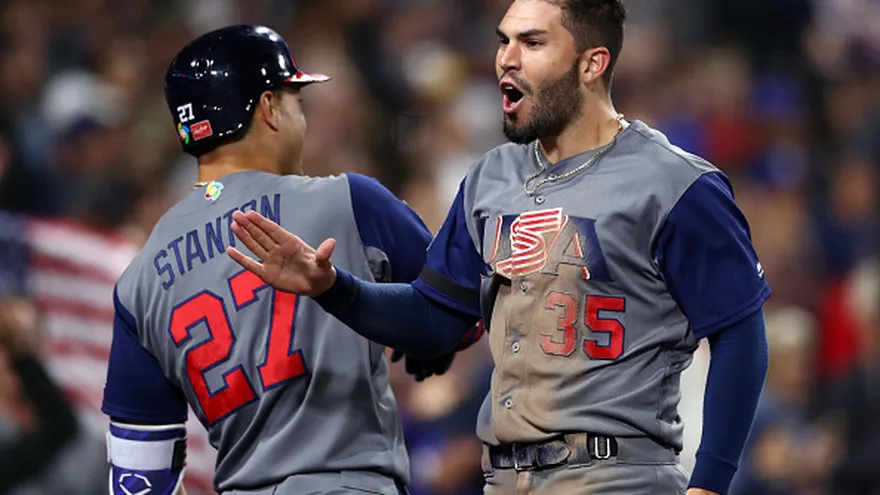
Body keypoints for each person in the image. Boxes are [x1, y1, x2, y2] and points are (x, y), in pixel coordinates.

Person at [225, 1, 771, 494]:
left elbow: (738, 332)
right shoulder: (492, 177)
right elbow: (436, 316)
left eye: (532, 42)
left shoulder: (674, 183)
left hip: (616, 474)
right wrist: (333, 288)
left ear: (591, 63)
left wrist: (710, 483)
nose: (506, 58)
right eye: (502, 40)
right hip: (504, 478)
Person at [101, 24, 453, 495]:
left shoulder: (137, 281)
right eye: (296, 102)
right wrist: (421, 334)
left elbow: (139, 479)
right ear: (268, 107)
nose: (301, 119)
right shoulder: (347, 200)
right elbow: (457, 314)